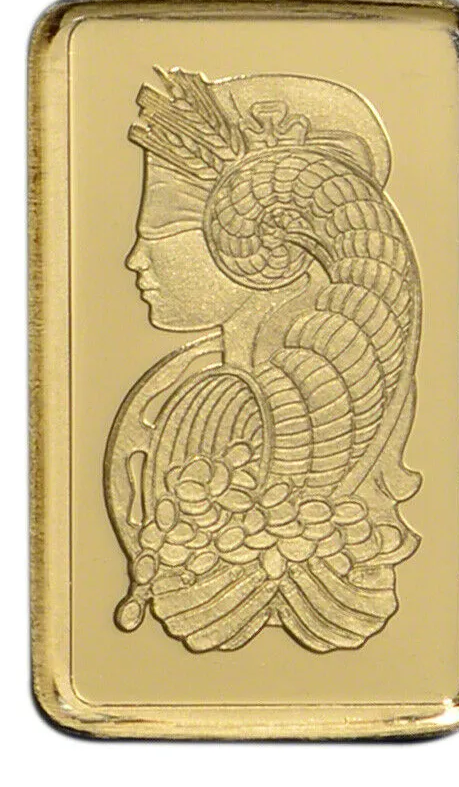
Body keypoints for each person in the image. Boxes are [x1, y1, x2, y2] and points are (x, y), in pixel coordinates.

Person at [104, 68, 422, 652]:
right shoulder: (194, 403)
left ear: (267, 237)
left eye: (161, 232)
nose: (134, 258)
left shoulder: (328, 407)